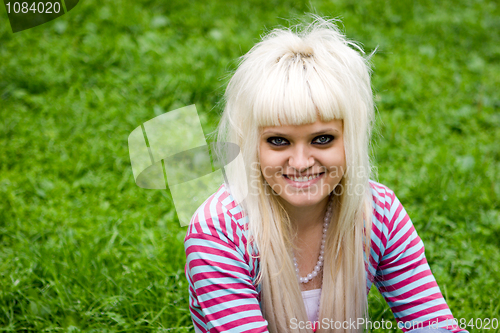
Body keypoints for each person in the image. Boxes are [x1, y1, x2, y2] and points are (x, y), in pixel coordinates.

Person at [184, 17, 467, 333]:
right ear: (251, 144)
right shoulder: (219, 231)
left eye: (322, 139)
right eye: (278, 141)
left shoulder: (378, 213)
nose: (302, 162)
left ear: (351, 138)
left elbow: (436, 326)